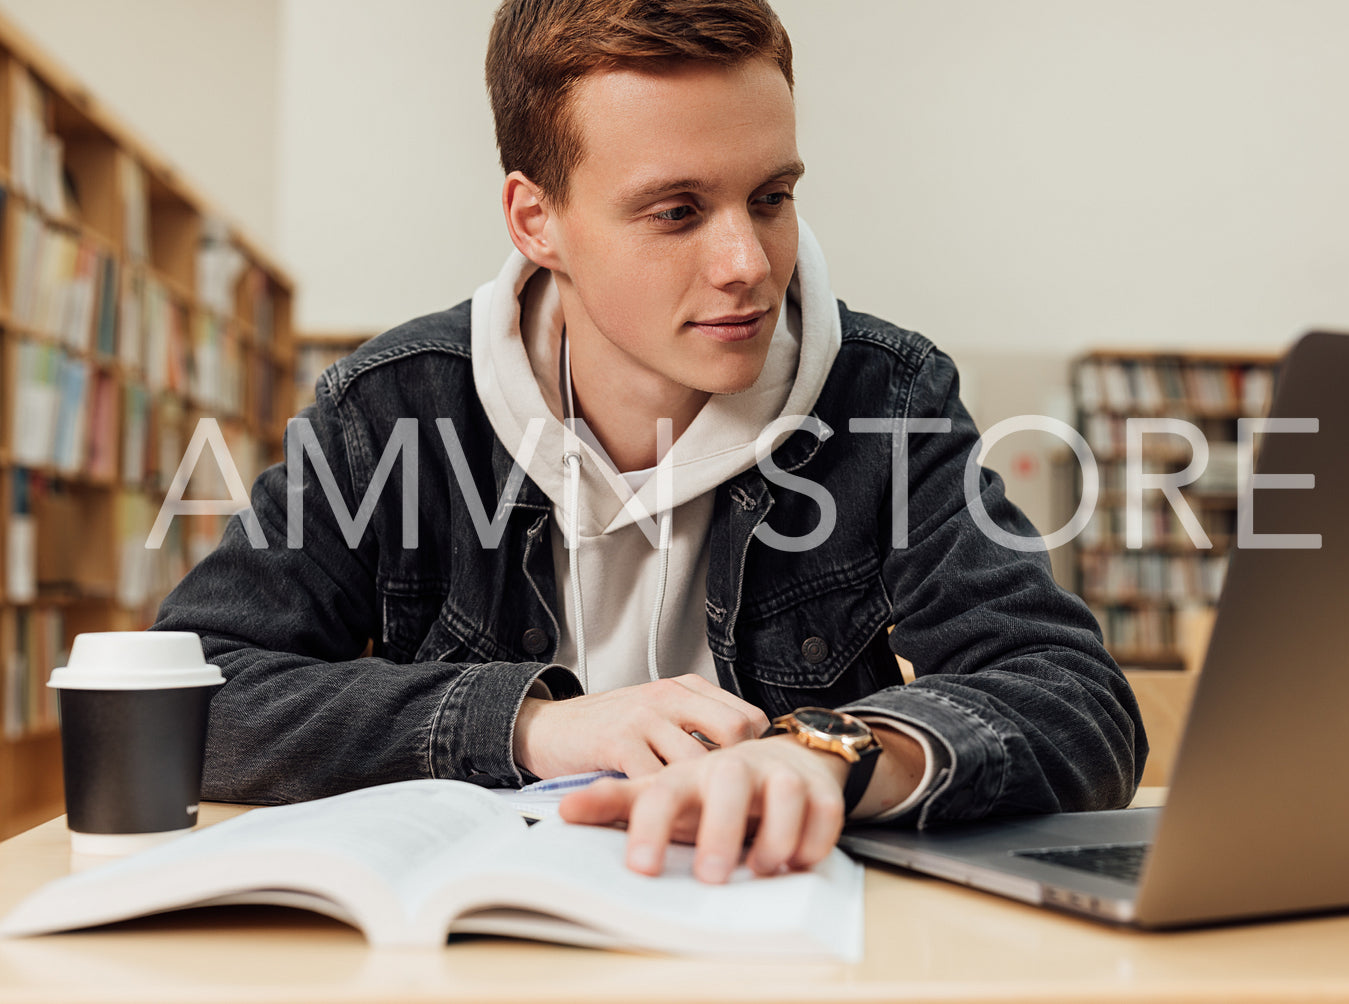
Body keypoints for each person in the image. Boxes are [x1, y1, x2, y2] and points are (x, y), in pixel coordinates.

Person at [154, 0, 1148, 885]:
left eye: (770, 196)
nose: (746, 264)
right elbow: (186, 690)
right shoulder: (388, 408)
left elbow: (1077, 703)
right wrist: (530, 723)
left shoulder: (887, 398)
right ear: (535, 219)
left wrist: (829, 753)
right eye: (676, 211)